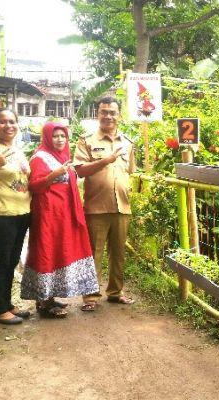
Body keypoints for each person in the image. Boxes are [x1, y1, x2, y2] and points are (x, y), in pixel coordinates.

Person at [20, 122, 99, 318]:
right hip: (48, 214)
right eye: (55, 136)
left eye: (63, 136)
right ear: (47, 138)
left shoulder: (62, 156)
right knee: (47, 251)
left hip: (63, 214)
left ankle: (50, 297)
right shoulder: (39, 158)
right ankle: (44, 302)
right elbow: (34, 186)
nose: (60, 139)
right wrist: (53, 175)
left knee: (58, 252)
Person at [74, 97, 136, 311]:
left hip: (122, 206)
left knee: (118, 253)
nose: (108, 116)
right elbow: (80, 170)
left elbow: (130, 172)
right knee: (94, 254)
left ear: (119, 115)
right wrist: (105, 161)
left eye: (112, 112)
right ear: (97, 114)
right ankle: (90, 297)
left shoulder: (127, 142)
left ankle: (116, 292)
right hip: (96, 207)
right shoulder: (87, 140)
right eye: (104, 112)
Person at [0, 108, 31, 325]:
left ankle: (6, 303)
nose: (8, 126)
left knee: (11, 262)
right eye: (2, 122)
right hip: (3, 214)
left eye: (12, 121)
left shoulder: (17, 150)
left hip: (21, 213)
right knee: (1, 262)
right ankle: (0, 310)